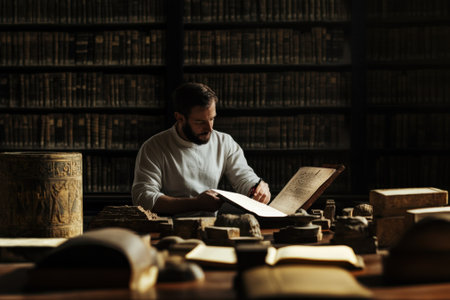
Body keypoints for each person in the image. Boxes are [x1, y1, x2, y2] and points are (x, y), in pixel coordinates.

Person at [132, 82, 270, 216]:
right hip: (169, 231)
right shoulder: (154, 147)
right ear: (180, 118)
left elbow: (244, 178)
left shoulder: (224, 142)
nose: (209, 128)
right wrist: (195, 203)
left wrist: (258, 188)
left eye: (212, 119)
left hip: (211, 230)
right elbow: (143, 198)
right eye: (200, 122)